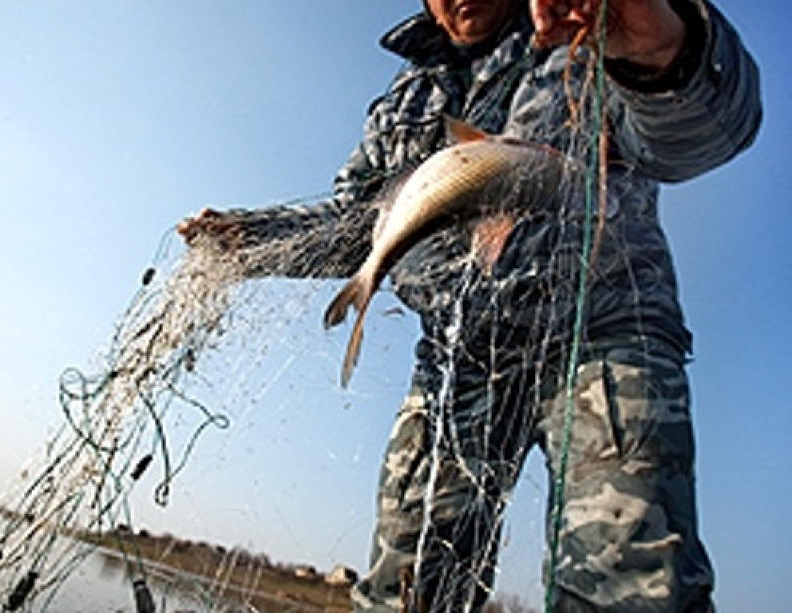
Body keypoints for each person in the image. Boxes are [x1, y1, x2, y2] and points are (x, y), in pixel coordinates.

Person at [180, 0, 761, 611]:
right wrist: (251, 239)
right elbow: (359, 226)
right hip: (457, 362)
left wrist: (661, 45)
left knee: (633, 589)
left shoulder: (580, 21)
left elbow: (706, 131)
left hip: (603, 336)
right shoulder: (406, 95)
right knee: (405, 594)